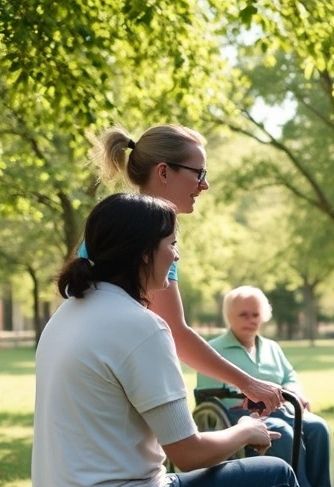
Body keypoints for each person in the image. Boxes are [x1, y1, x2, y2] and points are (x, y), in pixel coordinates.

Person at [32, 194, 314, 487]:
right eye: (172, 244)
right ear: (144, 252)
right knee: (278, 478)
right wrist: (245, 430)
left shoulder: (67, 313)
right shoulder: (141, 326)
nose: (177, 256)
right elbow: (189, 453)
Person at [89, 125, 284, 414]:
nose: (204, 185)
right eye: (199, 173)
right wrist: (249, 384)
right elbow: (176, 334)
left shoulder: (123, 227)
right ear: (164, 172)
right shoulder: (149, 240)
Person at [197, 286, 334, 487]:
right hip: (241, 417)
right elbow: (208, 392)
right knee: (284, 431)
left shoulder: (271, 348)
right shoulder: (213, 349)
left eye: (255, 314)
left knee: (318, 426)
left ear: (263, 316)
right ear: (230, 316)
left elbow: (290, 377)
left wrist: (296, 392)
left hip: (281, 408)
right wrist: (244, 397)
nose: (250, 320)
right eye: (243, 315)